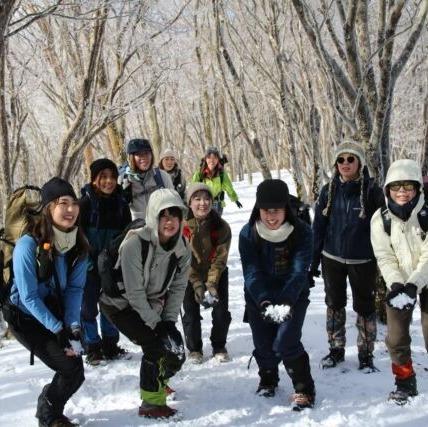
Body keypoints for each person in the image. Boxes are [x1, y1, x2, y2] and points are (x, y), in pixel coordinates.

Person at [2, 177, 89, 427]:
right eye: (63, 203)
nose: (70, 209)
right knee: (69, 368)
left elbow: (75, 289)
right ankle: (49, 416)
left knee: (75, 371)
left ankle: (50, 407)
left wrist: (72, 325)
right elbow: (28, 296)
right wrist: (58, 329)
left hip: (52, 311)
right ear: (49, 208)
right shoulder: (28, 246)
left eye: (74, 203)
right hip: (23, 316)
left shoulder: (79, 246)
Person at [99, 188, 191, 419]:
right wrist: (156, 325)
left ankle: (157, 379)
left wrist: (168, 322)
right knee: (156, 345)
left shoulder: (182, 247)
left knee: (176, 350)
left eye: (174, 214)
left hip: (152, 301)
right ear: (153, 216)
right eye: (163, 215)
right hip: (119, 303)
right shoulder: (134, 244)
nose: (169, 221)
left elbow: (178, 287)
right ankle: (151, 403)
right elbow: (135, 293)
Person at [239, 179, 315, 411]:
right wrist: (263, 300)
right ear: (258, 209)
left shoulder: (302, 232)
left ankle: (304, 388)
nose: (271, 217)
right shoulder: (248, 233)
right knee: (263, 343)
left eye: (276, 210)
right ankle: (268, 378)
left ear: (286, 209)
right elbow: (251, 271)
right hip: (258, 294)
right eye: (265, 211)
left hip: (292, 293)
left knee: (285, 341)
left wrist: (286, 300)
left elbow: (299, 271)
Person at [311, 140, 384, 371]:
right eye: (341, 159)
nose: (345, 163)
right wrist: (313, 261)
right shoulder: (328, 191)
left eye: (351, 159)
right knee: (334, 304)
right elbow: (318, 228)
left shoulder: (372, 191)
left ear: (359, 163)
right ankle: (336, 349)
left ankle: (366, 354)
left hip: (363, 260)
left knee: (365, 307)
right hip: (331, 257)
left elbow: (384, 227)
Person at [371, 159, 428, 404]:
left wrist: (415, 283)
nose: (402, 191)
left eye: (408, 185)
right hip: (400, 282)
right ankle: (405, 382)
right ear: (388, 189)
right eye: (396, 186)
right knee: (395, 338)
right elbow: (384, 256)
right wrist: (395, 283)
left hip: (424, 277)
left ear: (417, 187)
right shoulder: (380, 218)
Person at [79, 158, 132, 365]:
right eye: (104, 177)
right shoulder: (84, 204)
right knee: (88, 308)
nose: (109, 181)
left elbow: (128, 235)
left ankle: (110, 344)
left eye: (112, 177)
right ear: (94, 180)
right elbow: (77, 236)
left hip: (112, 265)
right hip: (89, 265)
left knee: (110, 304)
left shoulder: (121, 204)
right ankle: (92, 347)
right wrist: (88, 261)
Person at [182, 183, 232, 364]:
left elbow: (220, 259)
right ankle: (194, 349)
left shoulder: (221, 226)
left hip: (216, 273)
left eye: (206, 199)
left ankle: (219, 346)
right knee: (190, 313)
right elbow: (184, 260)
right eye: (197, 199)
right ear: (190, 203)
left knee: (221, 312)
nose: (202, 203)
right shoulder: (182, 227)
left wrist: (211, 284)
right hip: (189, 274)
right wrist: (196, 284)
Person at [120, 138, 174, 220]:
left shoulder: (162, 176)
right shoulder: (123, 181)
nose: (144, 157)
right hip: (137, 226)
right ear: (131, 157)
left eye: (146, 153)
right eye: (138, 154)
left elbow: (174, 204)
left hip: (161, 224)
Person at [192, 146, 242, 216]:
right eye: (209, 158)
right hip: (203, 204)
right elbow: (193, 188)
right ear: (205, 159)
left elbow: (229, 187)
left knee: (216, 222)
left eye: (214, 158)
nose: (212, 160)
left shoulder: (222, 174)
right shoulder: (199, 174)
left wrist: (235, 199)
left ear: (218, 159)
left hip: (218, 204)